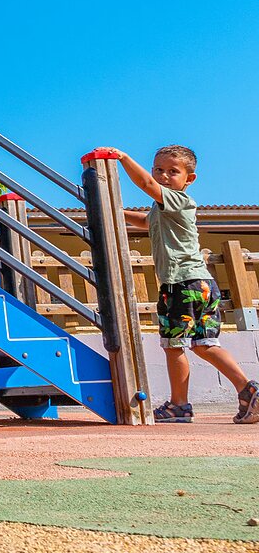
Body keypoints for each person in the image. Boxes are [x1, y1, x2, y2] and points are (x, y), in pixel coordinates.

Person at [99, 144, 259, 423]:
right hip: (202, 284)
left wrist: (122, 157)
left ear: (189, 179)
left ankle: (179, 405)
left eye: (173, 172)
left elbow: (146, 184)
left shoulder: (179, 200)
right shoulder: (163, 208)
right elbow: (146, 222)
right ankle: (249, 390)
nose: (163, 176)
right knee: (204, 344)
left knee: (174, 345)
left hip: (181, 285)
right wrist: (116, 211)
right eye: (159, 170)